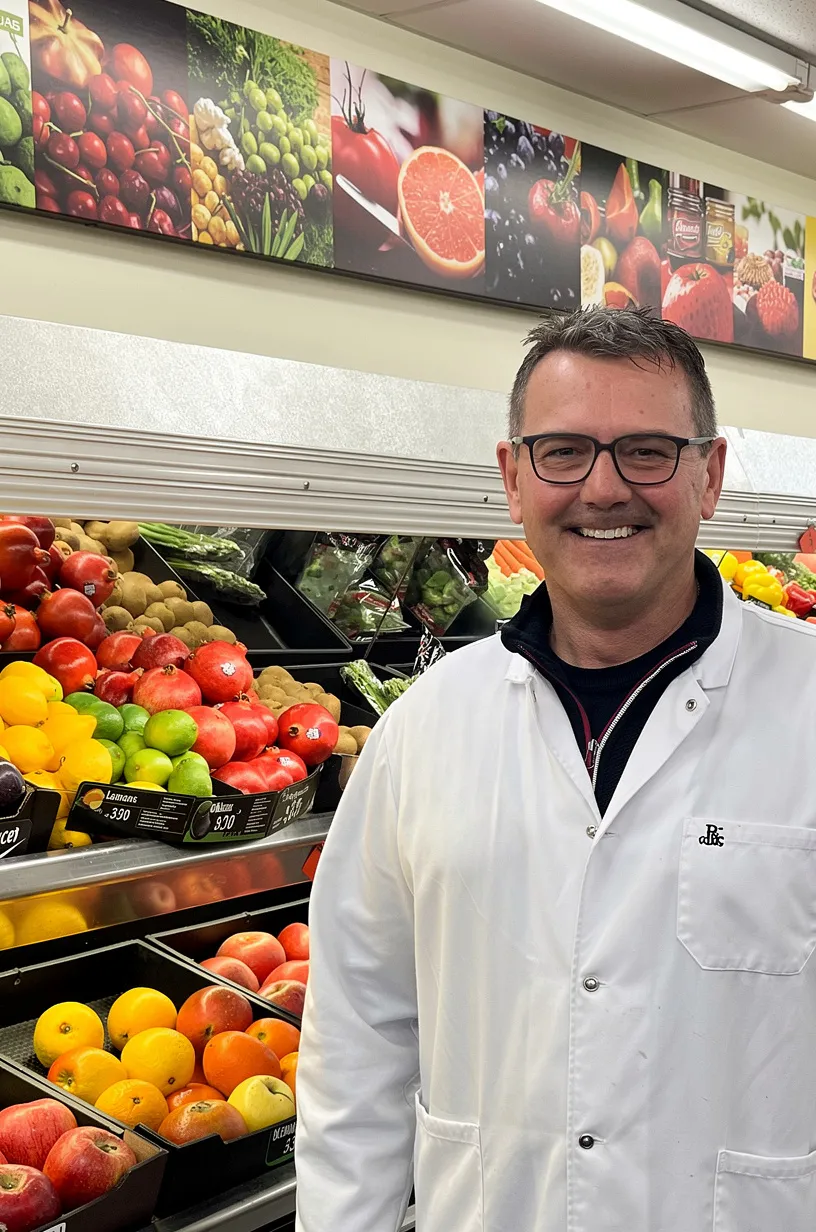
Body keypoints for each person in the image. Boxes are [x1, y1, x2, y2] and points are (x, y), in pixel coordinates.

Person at [295, 306, 816, 1232]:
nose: (604, 489)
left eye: (649, 451)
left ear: (712, 476)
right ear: (512, 478)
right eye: (563, 452)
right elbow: (358, 1043)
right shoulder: (424, 732)